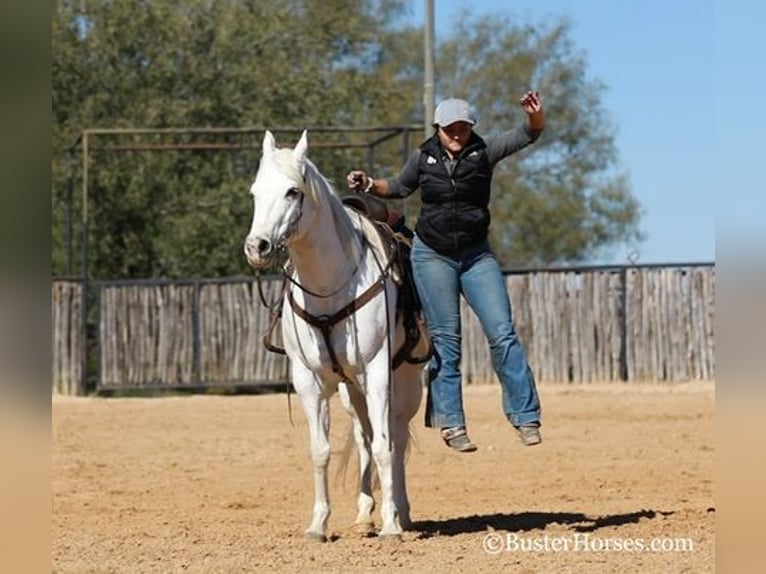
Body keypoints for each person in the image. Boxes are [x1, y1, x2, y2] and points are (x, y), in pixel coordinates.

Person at [346, 92, 544, 453]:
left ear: (470, 128)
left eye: (463, 127)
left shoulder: (485, 151)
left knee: (502, 333)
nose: (457, 133)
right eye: (450, 128)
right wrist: (371, 185)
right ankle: (452, 423)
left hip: (476, 256)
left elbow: (527, 135)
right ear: (438, 128)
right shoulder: (423, 157)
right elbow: (401, 186)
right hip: (433, 255)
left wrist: (534, 116)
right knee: (446, 340)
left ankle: (525, 414)